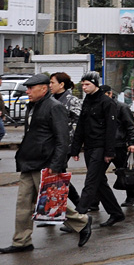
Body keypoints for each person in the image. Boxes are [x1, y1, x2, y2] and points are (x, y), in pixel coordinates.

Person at [0, 73, 92, 252]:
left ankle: (82, 221)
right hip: (29, 161)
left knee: (50, 201)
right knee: (23, 203)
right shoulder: (32, 106)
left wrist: (56, 165)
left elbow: (62, 139)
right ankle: (22, 241)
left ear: (43, 88)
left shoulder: (54, 107)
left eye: (31, 88)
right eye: (27, 88)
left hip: (44, 162)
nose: (27, 91)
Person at [72, 72, 126, 227]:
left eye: (87, 84)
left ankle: (77, 217)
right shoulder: (87, 101)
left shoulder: (106, 102)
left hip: (101, 147)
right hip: (89, 146)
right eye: (82, 85)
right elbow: (81, 126)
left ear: (95, 84)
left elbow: (111, 129)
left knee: (91, 181)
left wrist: (110, 152)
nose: (84, 87)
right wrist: (75, 149)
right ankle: (116, 213)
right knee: (100, 182)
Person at [48, 72, 85, 211]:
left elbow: (79, 123)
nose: (50, 85)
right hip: (51, 143)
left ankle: (78, 206)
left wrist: (74, 144)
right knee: (56, 176)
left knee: (58, 174)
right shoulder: (49, 99)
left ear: (61, 84)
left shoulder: (72, 100)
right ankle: (75, 205)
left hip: (64, 144)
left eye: (52, 82)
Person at [102, 85, 134, 207]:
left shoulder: (121, 107)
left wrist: (132, 143)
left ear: (109, 94)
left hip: (119, 145)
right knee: (97, 174)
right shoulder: (101, 107)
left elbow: (130, 126)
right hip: (104, 145)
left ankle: (132, 195)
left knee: (124, 172)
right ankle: (94, 201)